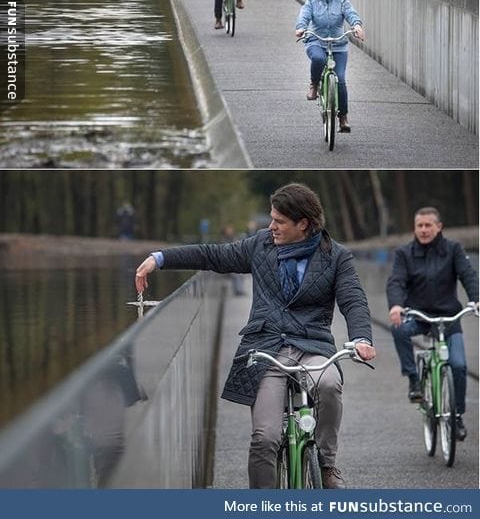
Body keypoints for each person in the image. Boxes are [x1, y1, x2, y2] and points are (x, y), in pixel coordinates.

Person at [135, 182, 376, 489]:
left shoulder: (337, 257)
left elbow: (353, 300)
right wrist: (160, 258)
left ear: (303, 224)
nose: (271, 226)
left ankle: (327, 466)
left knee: (329, 385)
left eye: (279, 221)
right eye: (271, 218)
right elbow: (213, 256)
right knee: (265, 438)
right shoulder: (260, 246)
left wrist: (362, 339)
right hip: (265, 349)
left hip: (313, 346)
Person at [386, 206, 479, 441]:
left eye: (429, 225)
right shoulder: (404, 254)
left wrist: (476, 299)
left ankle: (456, 417)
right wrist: (396, 305)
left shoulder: (453, 250)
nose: (424, 230)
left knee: (458, 366)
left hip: (448, 319)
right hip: (418, 316)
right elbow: (396, 281)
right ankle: (413, 380)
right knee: (398, 329)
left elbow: (468, 275)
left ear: (439, 227)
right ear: (414, 228)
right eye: (420, 225)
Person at [295, 0, 364, 132]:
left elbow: (351, 14)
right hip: (316, 40)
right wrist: (301, 28)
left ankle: (343, 117)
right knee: (318, 59)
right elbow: (304, 15)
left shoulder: (342, 0)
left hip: (338, 44)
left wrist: (357, 26)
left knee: (340, 79)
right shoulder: (312, 1)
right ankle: (314, 83)